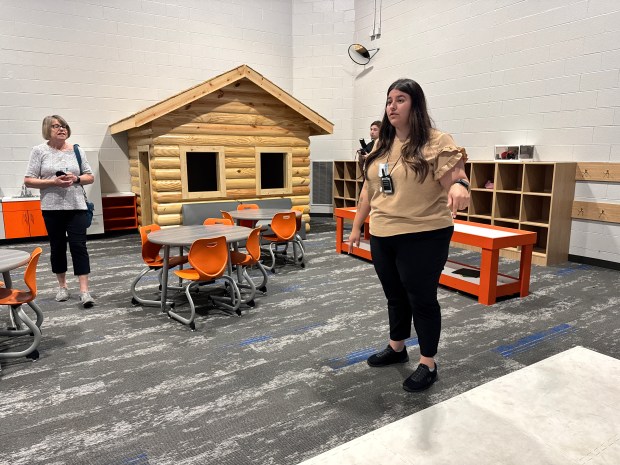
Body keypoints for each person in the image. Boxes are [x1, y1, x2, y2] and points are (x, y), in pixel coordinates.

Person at [347, 79, 469, 392]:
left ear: (415, 105)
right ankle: (397, 347)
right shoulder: (382, 145)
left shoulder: (436, 141)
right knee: (395, 295)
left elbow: (456, 176)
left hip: (424, 234)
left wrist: (459, 186)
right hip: (384, 233)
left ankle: (428, 362)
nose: (392, 106)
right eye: (389, 100)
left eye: (400, 99)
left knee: (421, 299)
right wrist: (358, 224)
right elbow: (369, 189)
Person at [24, 115, 95, 308]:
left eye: (63, 126)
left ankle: (84, 291)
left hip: (77, 206)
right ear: (47, 129)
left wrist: (76, 179)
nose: (61, 129)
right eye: (56, 126)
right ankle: (62, 287)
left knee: (79, 247)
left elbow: (90, 176)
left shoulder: (77, 150)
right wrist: (52, 182)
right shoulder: (39, 151)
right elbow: (29, 180)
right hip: (52, 207)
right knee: (57, 247)